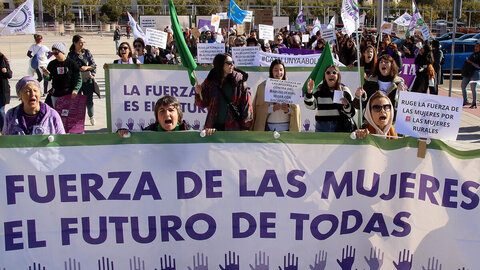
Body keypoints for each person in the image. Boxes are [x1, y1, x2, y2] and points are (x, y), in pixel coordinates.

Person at [195, 53, 253, 131]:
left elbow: (247, 105)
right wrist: (199, 93)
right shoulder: (210, 81)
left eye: (233, 62)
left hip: (233, 127)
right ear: (220, 64)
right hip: (213, 126)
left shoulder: (238, 81)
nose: (232, 65)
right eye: (229, 63)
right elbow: (203, 103)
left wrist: (245, 127)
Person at [118, 95, 215, 137]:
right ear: (157, 117)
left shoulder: (190, 132)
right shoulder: (148, 133)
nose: (167, 114)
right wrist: (123, 133)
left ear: (179, 115)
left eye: (171, 110)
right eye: (162, 111)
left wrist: (209, 134)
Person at [252, 59, 301, 132]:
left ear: (284, 71)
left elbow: (296, 110)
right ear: (271, 71)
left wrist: (288, 110)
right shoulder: (263, 87)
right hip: (268, 129)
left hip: (287, 129)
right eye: (276, 70)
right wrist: (272, 109)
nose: (279, 73)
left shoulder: (291, 87)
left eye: (281, 70)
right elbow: (259, 110)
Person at [354, 54, 406, 121]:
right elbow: (357, 106)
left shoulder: (400, 82)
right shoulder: (370, 81)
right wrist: (359, 96)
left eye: (387, 62)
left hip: (390, 122)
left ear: (392, 65)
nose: (383, 63)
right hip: (372, 122)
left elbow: (405, 106)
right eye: (381, 62)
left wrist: (402, 94)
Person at [304, 65, 356, 132]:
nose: (331, 74)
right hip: (322, 127)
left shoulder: (344, 90)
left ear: (338, 75)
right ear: (325, 76)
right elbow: (310, 106)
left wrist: (346, 105)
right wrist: (309, 92)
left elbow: (351, 113)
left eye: (334, 72)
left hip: (340, 127)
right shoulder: (319, 90)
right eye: (328, 73)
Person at [67, 35, 97, 126]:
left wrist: (87, 67)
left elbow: (93, 65)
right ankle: (79, 119)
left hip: (87, 79)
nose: (82, 44)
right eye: (80, 42)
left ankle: (91, 116)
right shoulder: (71, 55)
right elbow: (68, 68)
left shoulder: (87, 53)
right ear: (75, 43)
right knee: (78, 100)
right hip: (76, 80)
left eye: (83, 42)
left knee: (89, 100)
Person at [42, 42, 82, 108]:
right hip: (56, 93)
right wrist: (45, 75)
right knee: (54, 112)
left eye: (56, 53)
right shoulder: (52, 64)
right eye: (53, 53)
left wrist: (76, 90)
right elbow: (49, 78)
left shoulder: (72, 63)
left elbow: (78, 78)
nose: (54, 55)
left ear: (62, 52)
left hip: (68, 93)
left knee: (66, 113)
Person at [460, 42, 480, 108]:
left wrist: (471, 62)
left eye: (477, 47)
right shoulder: (473, 54)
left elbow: (478, 66)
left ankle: (474, 103)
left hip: (475, 73)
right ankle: (465, 100)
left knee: (473, 88)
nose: (476, 48)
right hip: (468, 72)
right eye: (475, 47)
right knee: (463, 85)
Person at [0, 51, 12, 130]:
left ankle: (4, 129)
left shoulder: (2, 61)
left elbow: (10, 74)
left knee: (0, 111)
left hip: (2, 90)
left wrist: (5, 71)